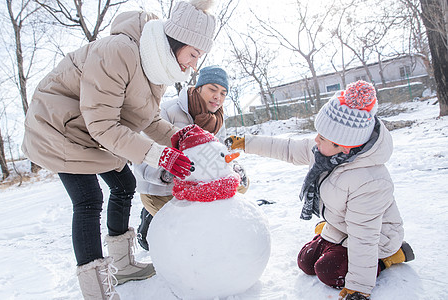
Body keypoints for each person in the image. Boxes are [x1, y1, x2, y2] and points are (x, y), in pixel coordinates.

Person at [21, 1, 217, 299]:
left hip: (90, 129)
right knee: (88, 199)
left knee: (124, 183)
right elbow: (104, 126)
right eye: (193, 54)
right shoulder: (118, 52)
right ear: (177, 40)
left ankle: (123, 266)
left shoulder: (155, 65)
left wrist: (182, 137)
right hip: (56, 127)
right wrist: (160, 155)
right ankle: (97, 292)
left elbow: (148, 120)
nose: (193, 64)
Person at [225, 81, 414, 300]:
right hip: (343, 225)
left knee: (329, 271)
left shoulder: (369, 181)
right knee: (306, 261)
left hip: (377, 236)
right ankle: (331, 236)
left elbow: (364, 237)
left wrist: (359, 287)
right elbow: (287, 148)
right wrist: (246, 143)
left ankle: (393, 256)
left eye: (322, 138)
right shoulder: (327, 152)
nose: (316, 140)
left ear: (345, 147)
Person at [134, 65, 249, 250]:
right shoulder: (166, 112)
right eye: (212, 89)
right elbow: (140, 155)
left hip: (197, 186)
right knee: (181, 233)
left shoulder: (217, 120)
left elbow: (221, 155)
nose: (218, 97)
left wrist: (232, 168)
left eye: (223, 93)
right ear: (198, 88)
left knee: (240, 185)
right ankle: (149, 216)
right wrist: (165, 174)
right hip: (161, 188)